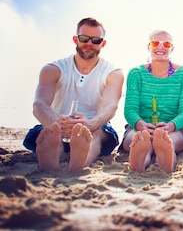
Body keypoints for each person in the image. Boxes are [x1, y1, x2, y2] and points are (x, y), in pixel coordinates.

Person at [23, 17, 124, 172]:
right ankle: (52, 160)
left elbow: (110, 106)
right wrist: (57, 124)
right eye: (84, 38)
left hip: (94, 125)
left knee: (94, 133)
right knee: (52, 134)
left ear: (102, 44)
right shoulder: (53, 69)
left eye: (96, 40)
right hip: (57, 122)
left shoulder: (113, 73)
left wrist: (90, 124)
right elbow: (39, 105)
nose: (89, 43)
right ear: (75, 39)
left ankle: (79, 164)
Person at [120, 30, 183, 173]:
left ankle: (164, 161)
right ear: (149, 47)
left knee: (166, 142)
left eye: (166, 44)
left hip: (173, 129)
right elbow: (130, 109)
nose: (161, 47)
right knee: (141, 141)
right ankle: (140, 161)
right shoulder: (135, 73)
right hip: (138, 127)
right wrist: (140, 124)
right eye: (155, 43)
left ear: (172, 49)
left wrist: (171, 126)